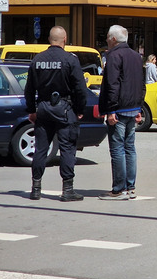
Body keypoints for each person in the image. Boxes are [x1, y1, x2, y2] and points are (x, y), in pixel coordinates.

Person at [24, 26, 91, 201]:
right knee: (68, 148)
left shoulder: (37, 59)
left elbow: (29, 89)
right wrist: (80, 110)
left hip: (43, 108)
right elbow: (80, 89)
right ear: (64, 39)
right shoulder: (70, 59)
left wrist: (31, 110)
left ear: (49, 39)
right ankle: (67, 190)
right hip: (65, 108)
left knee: (41, 149)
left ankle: (35, 188)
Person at [98, 25, 146, 200]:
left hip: (119, 108)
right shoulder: (135, 56)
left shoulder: (113, 55)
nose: (107, 42)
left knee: (117, 149)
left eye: (107, 39)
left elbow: (112, 84)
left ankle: (119, 189)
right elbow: (141, 83)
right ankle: (130, 187)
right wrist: (139, 108)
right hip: (133, 107)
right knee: (130, 148)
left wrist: (110, 110)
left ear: (113, 39)